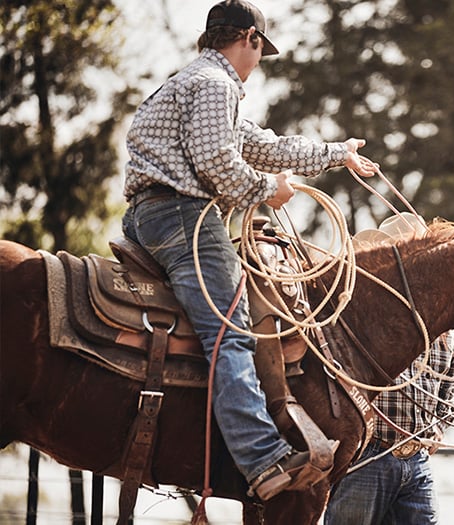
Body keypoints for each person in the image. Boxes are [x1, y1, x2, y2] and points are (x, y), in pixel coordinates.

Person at [120, 0, 380, 501]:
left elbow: (264, 146)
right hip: (182, 216)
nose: (259, 63)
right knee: (230, 330)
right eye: (261, 51)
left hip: (149, 215)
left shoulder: (195, 83)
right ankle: (261, 459)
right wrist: (266, 191)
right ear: (249, 40)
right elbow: (218, 160)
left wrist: (335, 154)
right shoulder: (216, 86)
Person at [324, 213, 454, 525]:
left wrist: (437, 430)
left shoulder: (448, 335)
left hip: (416, 458)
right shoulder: (363, 318)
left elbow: (448, 393)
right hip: (367, 455)